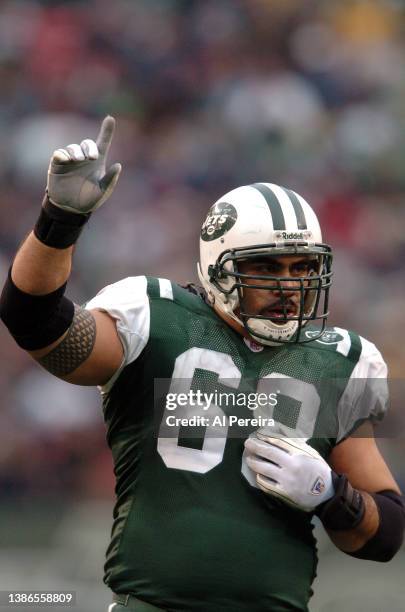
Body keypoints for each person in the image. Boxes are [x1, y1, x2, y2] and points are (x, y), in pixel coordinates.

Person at [1, 116, 404, 612]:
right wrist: (59, 220)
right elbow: (33, 320)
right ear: (220, 267)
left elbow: (385, 535)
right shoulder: (156, 320)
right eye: (267, 267)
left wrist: (330, 494)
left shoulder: (337, 361)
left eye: (303, 268)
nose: (289, 286)